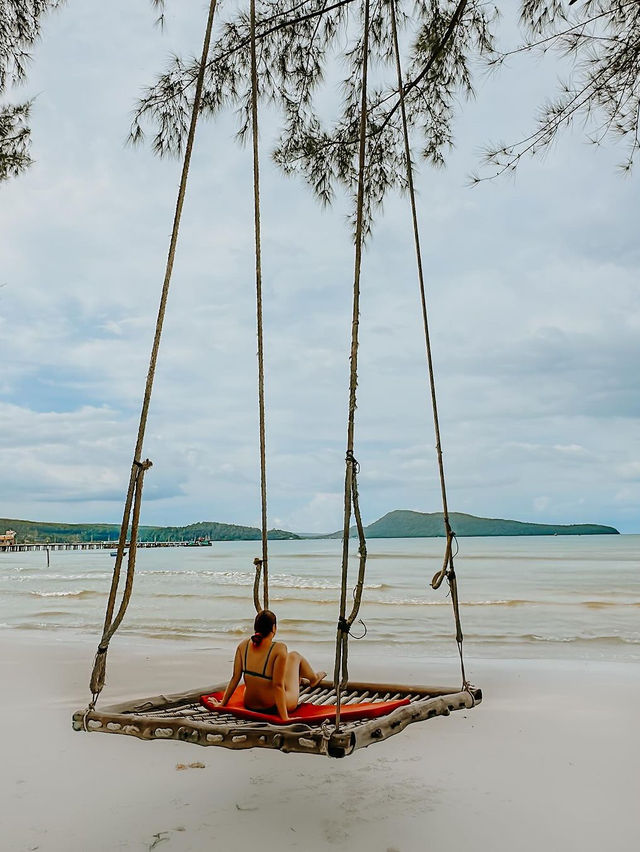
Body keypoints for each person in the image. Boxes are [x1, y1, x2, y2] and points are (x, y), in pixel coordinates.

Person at [216, 609, 326, 721]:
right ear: (274, 628)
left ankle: (301, 678)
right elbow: (277, 686)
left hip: (250, 704)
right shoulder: (279, 649)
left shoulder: (243, 645)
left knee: (284, 665)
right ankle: (313, 679)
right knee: (294, 656)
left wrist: (222, 704)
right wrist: (284, 718)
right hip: (272, 707)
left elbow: (235, 677)